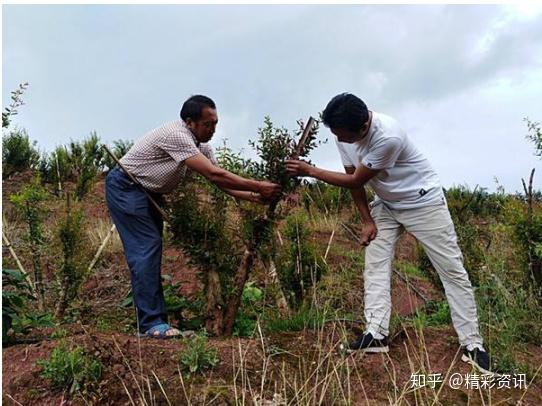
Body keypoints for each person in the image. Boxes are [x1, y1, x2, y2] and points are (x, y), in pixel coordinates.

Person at [285, 92, 492, 374]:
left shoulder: (388, 137)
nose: (339, 139)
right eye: (336, 134)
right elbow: (353, 183)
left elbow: (356, 179)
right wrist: (366, 220)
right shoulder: (343, 135)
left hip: (423, 203)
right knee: (375, 265)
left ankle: (472, 344)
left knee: (451, 270)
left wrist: (310, 170)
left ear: (361, 128)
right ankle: (376, 334)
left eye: (343, 135)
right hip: (387, 203)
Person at [106, 95, 281, 339]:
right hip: (126, 186)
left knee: (151, 248)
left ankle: (154, 321)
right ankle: (151, 324)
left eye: (216, 123)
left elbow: (221, 184)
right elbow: (215, 174)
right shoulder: (176, 135)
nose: (213, 129)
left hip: (147, 192)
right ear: (190, 122)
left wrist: (255, 196)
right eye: (208, 124)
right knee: (146, 248)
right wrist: (259, 185)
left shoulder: (201, 146)